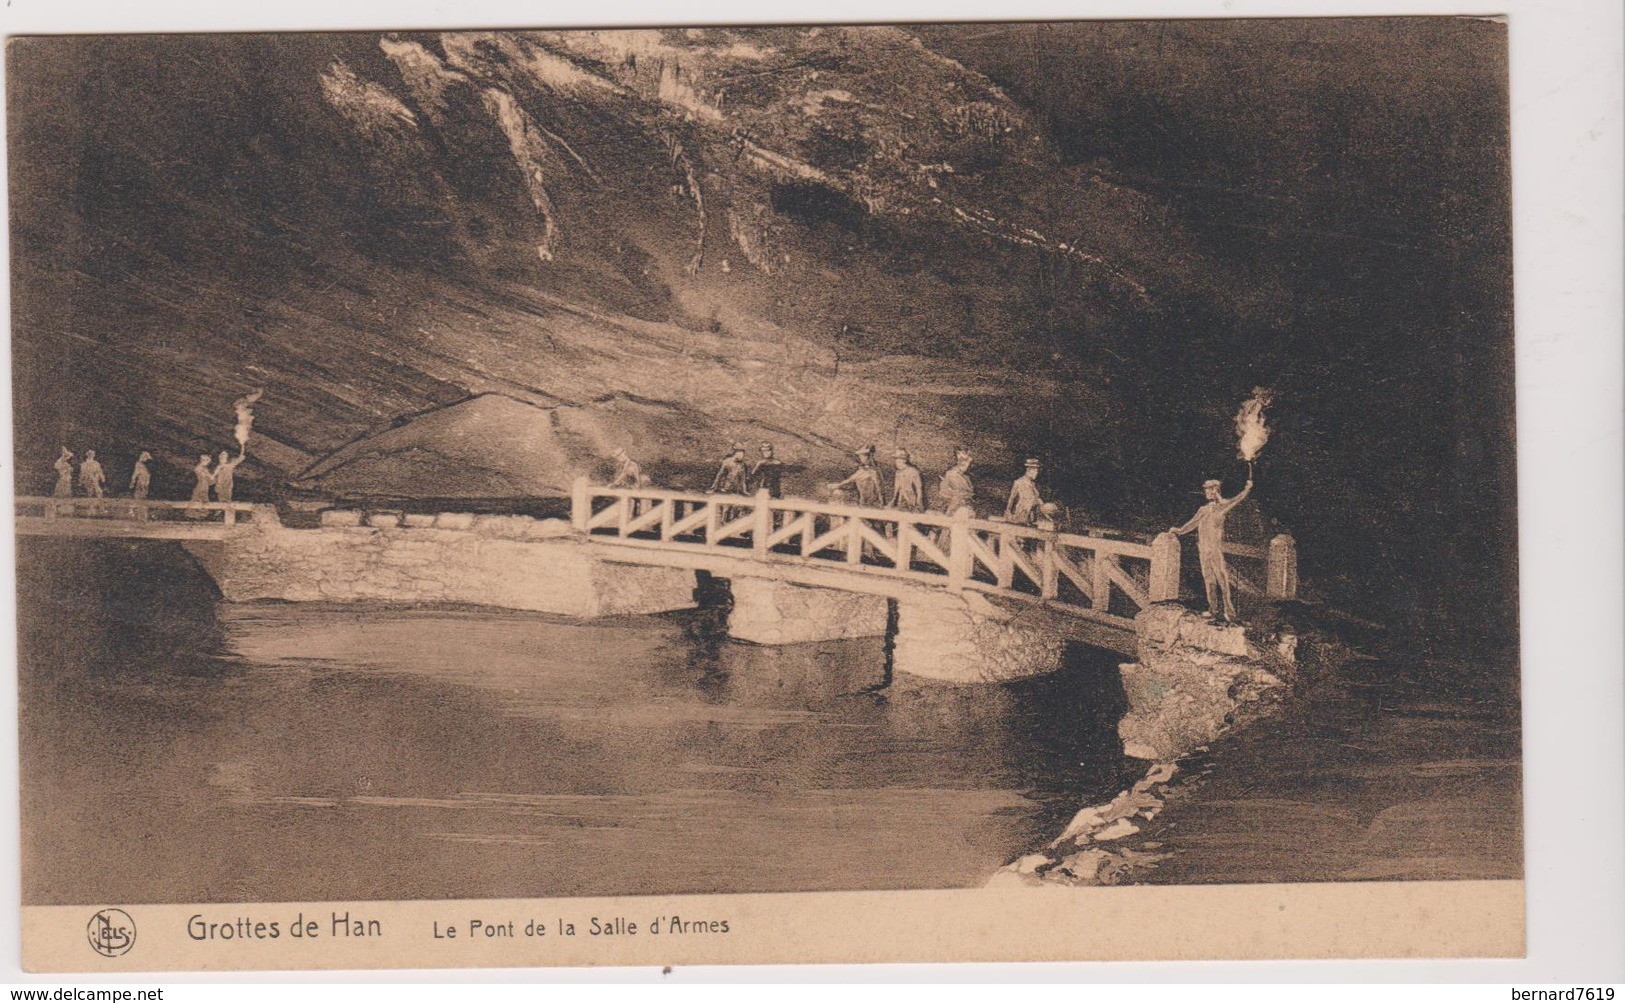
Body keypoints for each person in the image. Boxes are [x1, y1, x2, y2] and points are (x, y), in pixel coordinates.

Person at [1170, 474, 1254, 624]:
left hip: (1215, 550)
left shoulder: (1223, 506)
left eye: (1209, 489)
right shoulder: (1203, 509)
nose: (1206, 492)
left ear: (1216, 489)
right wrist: (1179, 530)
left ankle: (1229, 611)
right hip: (1203, 550)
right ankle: (1213, 609)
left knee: (1222, 579)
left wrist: (1247, 488)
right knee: (1209, 579)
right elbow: (1192, 524)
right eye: (1206, 490)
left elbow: (1238, 499)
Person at [935, 449, 976, 516]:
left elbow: (970, 492)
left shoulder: (965, 477)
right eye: (962, 460)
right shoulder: (951, 474)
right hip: (956, 503)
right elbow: (943, 490)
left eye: (968, 461)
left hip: (963, 503)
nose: (967, 464)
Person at [1004, 458, 1044, 525]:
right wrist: (1008, 511)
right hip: (1021, 515)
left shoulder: (1033, 485)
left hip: (1031, 517)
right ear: (1028, 470)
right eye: (1035, 471)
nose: (1036, 473)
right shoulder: (1019, 482)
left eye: (1037, 471)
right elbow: (1012, 498)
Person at [888, 447, 926, 512]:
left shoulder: (913, 471)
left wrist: (918, 504)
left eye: (898, 459)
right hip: (901, 502)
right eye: (896, 459)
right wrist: (893, 501)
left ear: (904, 460)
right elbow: (897, 489)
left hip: (911, 502)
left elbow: (919, 489)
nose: (896, 462)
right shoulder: (898, 473)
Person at [187, 454, 215, 518]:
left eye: (207, 460)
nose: (206, 462)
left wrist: (211, 478)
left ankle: (202, 515)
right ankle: (194, 514)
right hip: (201, 485)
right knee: (199, 497)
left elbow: (210, 479)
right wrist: (209, 477)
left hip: (205, 485)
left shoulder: (205, 469)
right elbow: (205, 476)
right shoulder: (198, 468)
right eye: (204, 460)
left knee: (203, 499)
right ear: (201, 460)